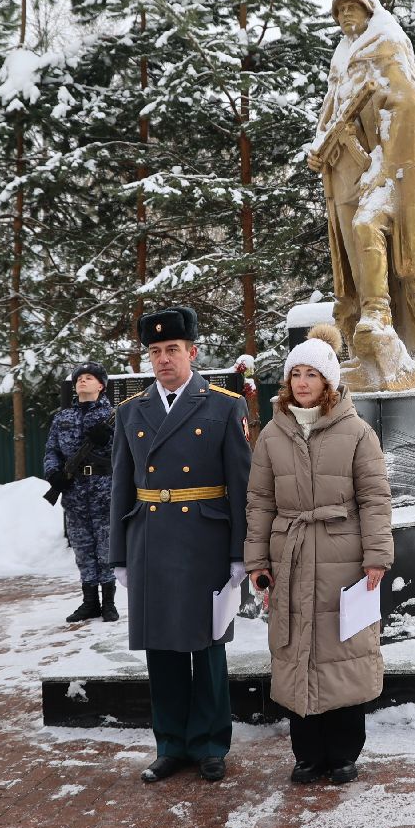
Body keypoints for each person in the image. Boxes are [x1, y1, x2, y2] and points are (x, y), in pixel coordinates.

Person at [244, 323, 393, 785]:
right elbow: (260, 501)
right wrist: (257, 560)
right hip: (289, 552)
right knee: (294, 647)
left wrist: (376, 556)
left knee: (342, 648)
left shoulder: (356, 431)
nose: (302, 382)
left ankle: (344, 752)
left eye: (312, 374)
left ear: (328, 381)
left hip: (342, 554)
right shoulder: (272, 433)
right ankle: (307, 754)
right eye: (295, 374)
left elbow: (374, 498)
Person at [107, 307, 250, 783]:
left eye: (172, 350)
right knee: (161, 647)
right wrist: (119, 554)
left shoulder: (224, 406)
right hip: (150, 538)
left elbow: (242, 484)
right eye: (155, 351)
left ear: (193, 352)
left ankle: (210, 744)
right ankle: (170, 744)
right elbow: (120, 487)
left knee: (207, 646)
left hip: (205, 539)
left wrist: (239, 551)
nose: (163, 359)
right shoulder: (131, 411)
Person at [308, 0, 415, 380]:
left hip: (387, 168)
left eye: (352, 6)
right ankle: (362, 335)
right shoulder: (342, 55)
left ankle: (379, 313)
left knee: (369, 226)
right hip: (343, 168)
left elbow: (404, 103)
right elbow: (330, 111)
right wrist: (318, 150)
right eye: (339, 9)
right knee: (350, 249)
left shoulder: (386, 42)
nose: (345, 14)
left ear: (369, 8)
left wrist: (383, 164)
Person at [43, 362, 119, 624]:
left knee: (106, 547)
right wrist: (54, 474)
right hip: (74, 492)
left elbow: (126, 452)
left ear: (101, 385)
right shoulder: (63, 418)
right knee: (82, 548)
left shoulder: (114, 416)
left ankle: (108, 602)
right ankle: (90, 602)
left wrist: (107, 438)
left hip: (104, 491)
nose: (83, 382)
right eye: (79, 379)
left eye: (89, 378)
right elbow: (51, 450)